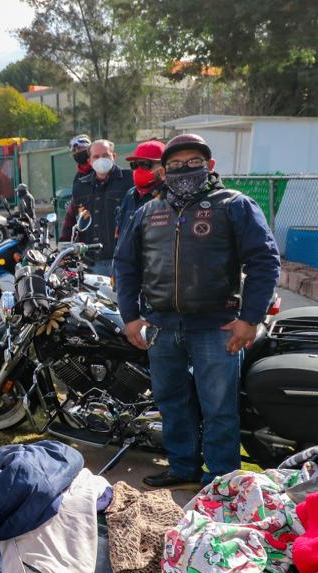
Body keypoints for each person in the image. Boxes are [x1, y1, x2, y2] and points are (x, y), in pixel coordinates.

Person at [113, 133, 280, 489]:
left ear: (210, 166)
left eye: (193, 163)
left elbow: (264, 261)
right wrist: (130, 317)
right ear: (164, 170)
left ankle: (220, 480)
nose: (183, 170)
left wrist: (250, 318)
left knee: (218, 407)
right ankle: (182, 468)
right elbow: (125, 265)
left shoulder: (234, 205)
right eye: (174, 164)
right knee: (172, 401)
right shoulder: (147, 211)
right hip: (160, 325)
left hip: (216, 326)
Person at [61, 139, 133, 276]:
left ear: (114, 156)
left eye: (105, 155)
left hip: (123, 261)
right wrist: (65, 251)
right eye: (96, 156)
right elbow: (72, 220)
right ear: (89, 161)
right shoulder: (80, 187)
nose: (101, 160)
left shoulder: (130, 180)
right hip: (91, 263)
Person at [114, 140, 166, 253]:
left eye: (145, 164)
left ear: (163, 166)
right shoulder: (130, 194)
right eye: (135, 165)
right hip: (127, 266)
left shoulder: (170, 195)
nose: (138, 169)